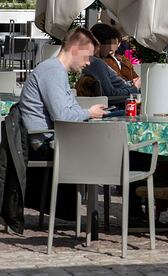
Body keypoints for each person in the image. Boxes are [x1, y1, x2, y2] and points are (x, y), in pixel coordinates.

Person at [19, 27, 107, 220]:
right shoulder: (53, 71)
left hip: (50, 138)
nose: (89, 61)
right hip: (44, 141)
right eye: (88, 55)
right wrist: (89, 112)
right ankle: (93, 216)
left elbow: (71, 109)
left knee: (102, 148)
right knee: (103, 151)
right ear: (75, 48)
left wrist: (86, 113)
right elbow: (63, 115)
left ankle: (89, 214)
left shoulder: (56, 70)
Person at [78, 23, 139, 97]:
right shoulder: (96, 63)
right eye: (109, 44)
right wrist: (135, 88)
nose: (111, 48)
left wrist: (132, 84)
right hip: (120, 103)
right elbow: (110, 94)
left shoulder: (94, 61)